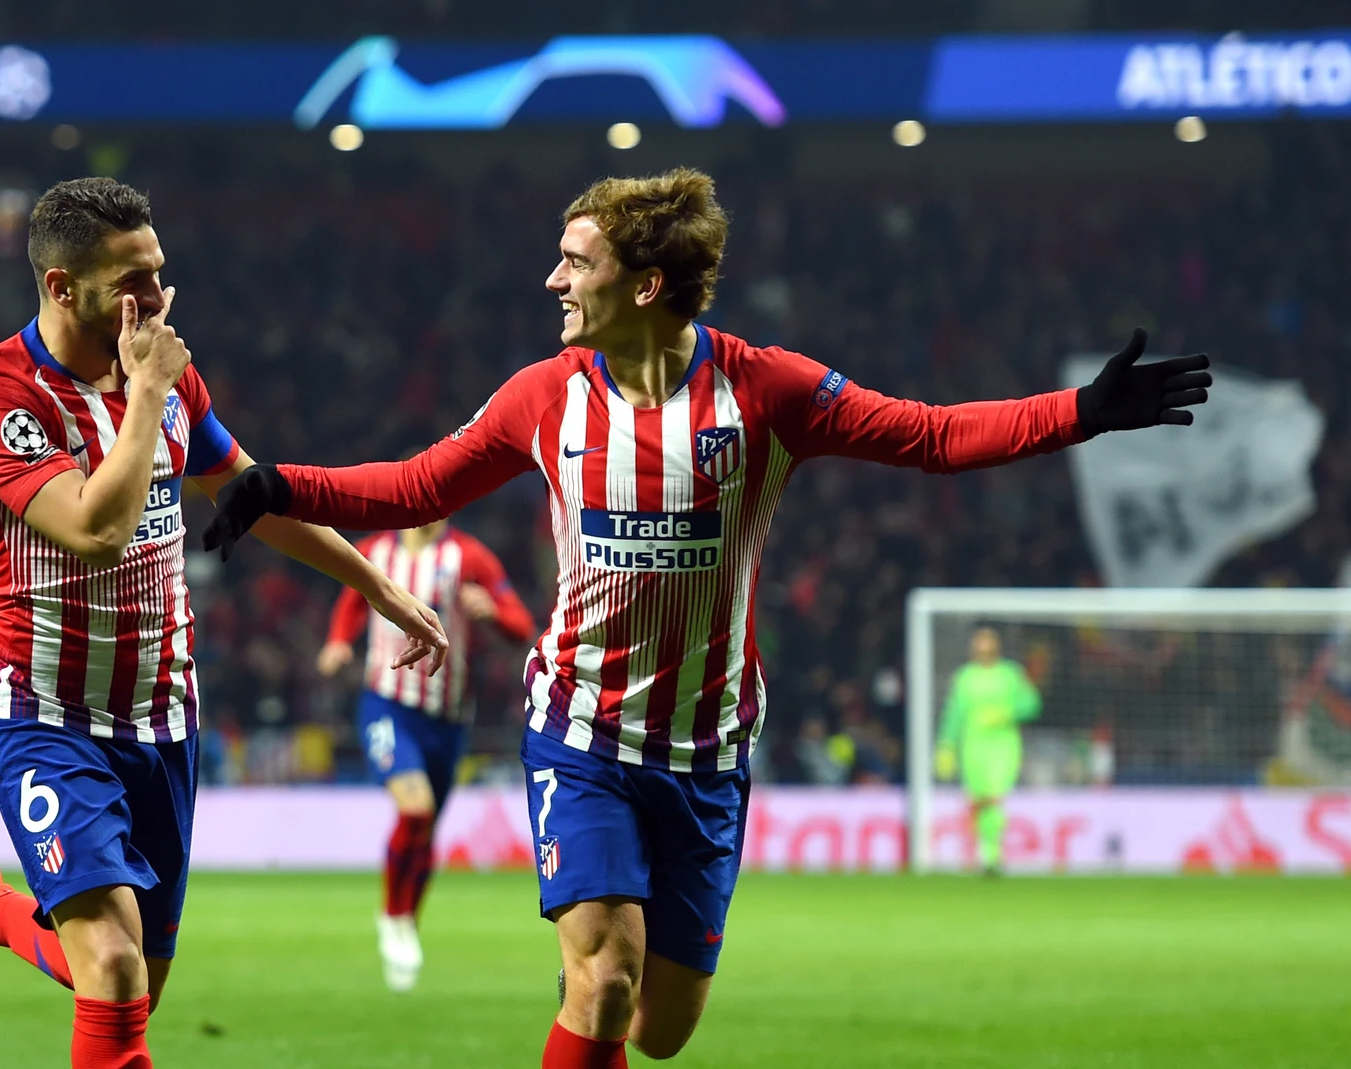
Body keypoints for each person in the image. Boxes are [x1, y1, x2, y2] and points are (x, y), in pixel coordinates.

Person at [201, 167, 1211, 1067]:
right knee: (605, 982)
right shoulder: (544, 397)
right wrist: (274, 484)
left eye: (573, 262)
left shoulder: (765, 389)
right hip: (581, 733)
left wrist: (1081, 412)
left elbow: (933, 437)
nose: (552, 282)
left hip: (707, 747)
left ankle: (599, 981)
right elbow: (414, 487)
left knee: (661, 1028)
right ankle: (591, 977)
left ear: (644, 286)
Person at [0, 177, 448, 1069]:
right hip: (48, 717)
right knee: (115, 971)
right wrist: (147, 394)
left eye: (159, 272)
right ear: (60, 287)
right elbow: (94, 527)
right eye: (132, 281)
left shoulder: (165, 375)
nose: (156, 298)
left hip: (164, 722)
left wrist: (380, 588)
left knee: (132, 985)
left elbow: (251, 499)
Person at [316, 510, 535, 991]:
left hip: (449, 715)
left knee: (427, 824)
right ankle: (392, 917)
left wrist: (492, 613)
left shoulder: (470, 557)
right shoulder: (377, 552)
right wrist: (338, 642)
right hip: (387, 705)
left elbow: (521, 624)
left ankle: (406, 920)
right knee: (414, 811)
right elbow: (353, 599)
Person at [936, 626, 1041, 876]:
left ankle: (992, 853)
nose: (983, 649)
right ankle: (985, 851)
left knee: (995, 795)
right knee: (978, 799)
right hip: (973, 745)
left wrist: (1008, 713)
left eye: (987, 644)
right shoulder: (965, 677)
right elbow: (954, 714)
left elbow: (1032, 704)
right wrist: (946, 745)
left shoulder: (1010, 674)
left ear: (996, 647)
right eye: (979, 645)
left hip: (1003, 744)